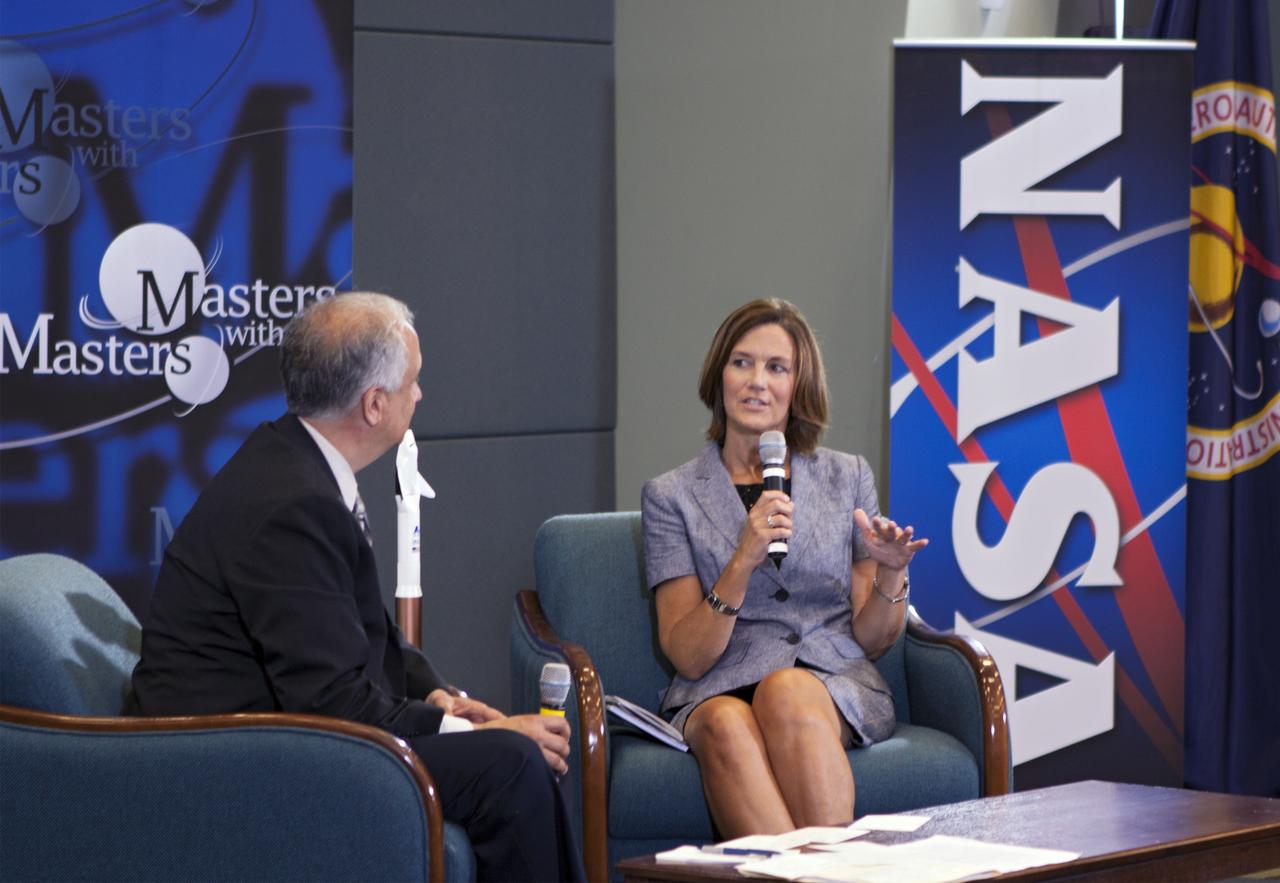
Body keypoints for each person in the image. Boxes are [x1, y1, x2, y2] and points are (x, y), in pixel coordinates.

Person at [131, 292, 585, 883]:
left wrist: (438, 696)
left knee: (511, 755)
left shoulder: (292, 462)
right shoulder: (293, 505)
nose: (419, 395)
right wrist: (474, 730)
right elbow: (332, 701)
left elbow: (364, 633)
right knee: (511, 763)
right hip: (230, 766)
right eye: (412, 382)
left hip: (273, 737)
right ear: (374, 404)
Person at [641, 298, 928, 838]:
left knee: (785, 690)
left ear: (799, 386)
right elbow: (687, 655)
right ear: (719, 375)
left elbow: (871, 640)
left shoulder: (847, 476)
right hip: (717, 684)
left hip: (828, 679)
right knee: (723, 723)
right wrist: (742, 559)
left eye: (777, 368)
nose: (757, 382)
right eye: (742, 363)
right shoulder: (671, 496)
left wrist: (890, 573)